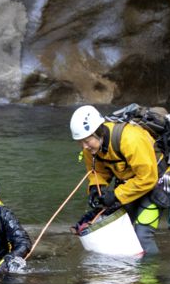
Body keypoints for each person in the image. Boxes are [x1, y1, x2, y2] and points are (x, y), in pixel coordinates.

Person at [70, 105, 163, 254]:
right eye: (80, 142)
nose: (84, 146)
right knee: (116, 227)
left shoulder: (131, 139)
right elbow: (97, 173)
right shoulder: (91, 149)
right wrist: (96, 189)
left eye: (86, 141)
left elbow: (148, 178)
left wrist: (115, 196)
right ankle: (131, 272)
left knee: (142, 235)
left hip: (156, 185)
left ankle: (150, 275)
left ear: (98, 132)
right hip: (129, 185)